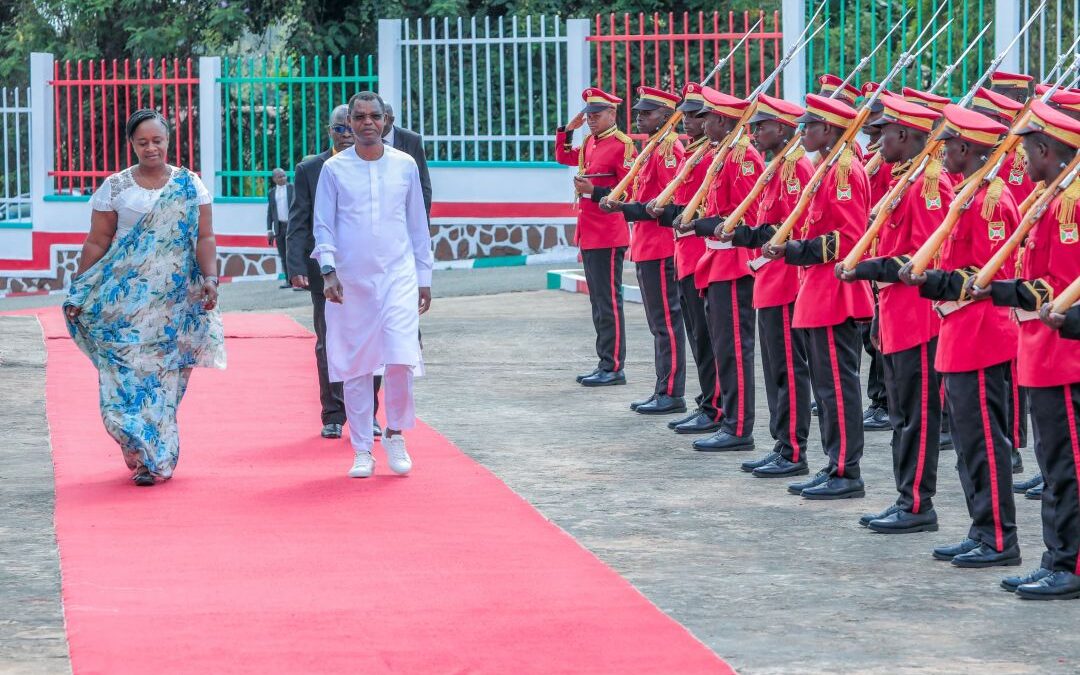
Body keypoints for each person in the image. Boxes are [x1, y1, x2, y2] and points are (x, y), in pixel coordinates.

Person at [62, 108, 225, 486]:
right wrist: (80, 287)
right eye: (142, 142)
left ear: (168, 141)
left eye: (157, 141)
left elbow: (204, 237)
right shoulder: (117, 188)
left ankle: (155, 459)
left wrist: (210, 278)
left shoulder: (190, 185)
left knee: (163, 381)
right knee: (125, 376)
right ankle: (137, 447)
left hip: (174, 304)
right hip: (122, 305)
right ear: (132, 145)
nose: (151, 148)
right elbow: (97, 241)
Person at [899, 105, 1022, 564]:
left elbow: (992, 276)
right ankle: (980, 528)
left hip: (982, 334)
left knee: (986, 443)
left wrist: (932, 281)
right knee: (969, 445)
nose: (943, 153)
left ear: (966, 148)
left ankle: (999, 539)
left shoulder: (992, 202)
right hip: (959, 332)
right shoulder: (967, 195)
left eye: (949, 145)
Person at [973, 100, 1080, 600]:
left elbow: (1059, 285)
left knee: (1067, 467)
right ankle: (1055, 558)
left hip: (1063, 355)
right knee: (1053, 465)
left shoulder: (1068, 205)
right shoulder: (1049, 198)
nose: (1021, 161)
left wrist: (999, 290)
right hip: (1041, 352)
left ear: (1045, 149)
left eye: (1026, 151)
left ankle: (1071, 564)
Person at [841, 96, 951, 531]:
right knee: (901, 415)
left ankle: (919, 504)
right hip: (894, 313)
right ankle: (906, 496)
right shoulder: (906, 179)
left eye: (883, 133)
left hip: (917, 317)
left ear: (904, 134)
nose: (876, 141)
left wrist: (869, 268)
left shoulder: (929, 184)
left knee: (917, 417)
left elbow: (925, 260)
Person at [311, 91, 433, 478]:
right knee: (356, 366)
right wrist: (328, 271)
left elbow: (418, 225)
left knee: (401, 357)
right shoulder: (334, 169)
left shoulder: (404, 165)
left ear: (385, 121)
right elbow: (323, 225)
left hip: (398, 276)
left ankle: (395, 433)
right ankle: (362, 448)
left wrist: (424, 278)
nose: (367, 123)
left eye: (374, 116)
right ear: (349, 122)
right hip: (351, 282)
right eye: (359, 116)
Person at [761, 93, 875, 500]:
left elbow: (847, 238)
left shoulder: (843, 171)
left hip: (834, 294)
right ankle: (834, 465)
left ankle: (846, 470)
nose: (803, 131)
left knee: (837, 389)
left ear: (828, 128)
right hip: (818, 291)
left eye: (809, 126)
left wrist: (793, 250)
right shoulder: (827, 167)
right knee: (826, 389)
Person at [719, 93, 814, 478]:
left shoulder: (796, 168)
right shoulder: (777, 166)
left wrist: (748, 234)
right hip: (770, 279)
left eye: (763, 126)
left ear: (784, 128)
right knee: (776, 368)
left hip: (786, 280)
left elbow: (795, 227)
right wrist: (742, 234)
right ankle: (781, 444)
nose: (755, 132)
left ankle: (793, 450)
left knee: (789, 369)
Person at [679, 88, 763, 454]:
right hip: (715, 263)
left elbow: (749, 217)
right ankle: (727, 418)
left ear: (723, 121)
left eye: (708, 118)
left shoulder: (743, 157)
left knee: (734, 351)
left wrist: (703, 225)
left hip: (733, 264)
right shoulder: (721, 154)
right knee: (721, 348)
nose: (702, 123)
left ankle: (738, 426)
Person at [601, 86, 688, 415]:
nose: (639, 118)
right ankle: (662, 388)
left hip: (660, 245)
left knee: (666, 323)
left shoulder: (668, 149)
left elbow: (666, 204)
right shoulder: (652, 146)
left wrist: (625, 208)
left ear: (666, 116)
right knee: (657, 324)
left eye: (647, 113)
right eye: (639, 112)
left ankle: (671, 392)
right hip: (646, 245)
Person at [647, 83, 724, 435]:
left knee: (707, 339)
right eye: (687, 116)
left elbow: (707, 210)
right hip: (685, 253)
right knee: (697, 336)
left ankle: (715, 406)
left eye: (696, 116)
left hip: (700, 254)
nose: (689, 122)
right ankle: (707, 402)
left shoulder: (708, 157)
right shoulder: (694, 154)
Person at [555, 88, 636, 387]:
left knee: (608, 302)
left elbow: (630, 190)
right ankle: (605, 362)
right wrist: (568, 130)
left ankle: (613, 366)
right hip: (589, 232)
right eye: (588, 115)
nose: (590, 120)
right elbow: (563, 156)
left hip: (608, 232)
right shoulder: (590, 142)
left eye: (596, 115)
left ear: (612, 114)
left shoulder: (623, 145)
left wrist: (595, 191)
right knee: (598, 303)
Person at [286, 105, 353, 440]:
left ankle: (367, 411)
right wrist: (296, 266)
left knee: (369, 342)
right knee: (328, 342)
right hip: (323, 269)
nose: (346, 134)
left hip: (365, 266)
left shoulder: (374, 165)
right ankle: (333, 414)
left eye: (350, 128)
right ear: (330, 130)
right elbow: (299, 219)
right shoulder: (311, 168)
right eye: (340, 128)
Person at [381, 103, 432, 214]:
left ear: (391, 119)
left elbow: (422, 181)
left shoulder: (412, 140)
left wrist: (423, 217)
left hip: (403, 209)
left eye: (378, 117)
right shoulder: (363, 138)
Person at [267, 168, 293, 288]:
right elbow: (270, 212)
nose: (283, 178)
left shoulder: (292, 188)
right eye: (280, 176)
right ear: (274, 179)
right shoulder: (271, 193)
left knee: (293, 254)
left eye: (284, 175)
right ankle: (288, 281)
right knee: (283, 255)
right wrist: (269, 230)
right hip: (279, 228)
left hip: (292, 227)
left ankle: (299, 280)